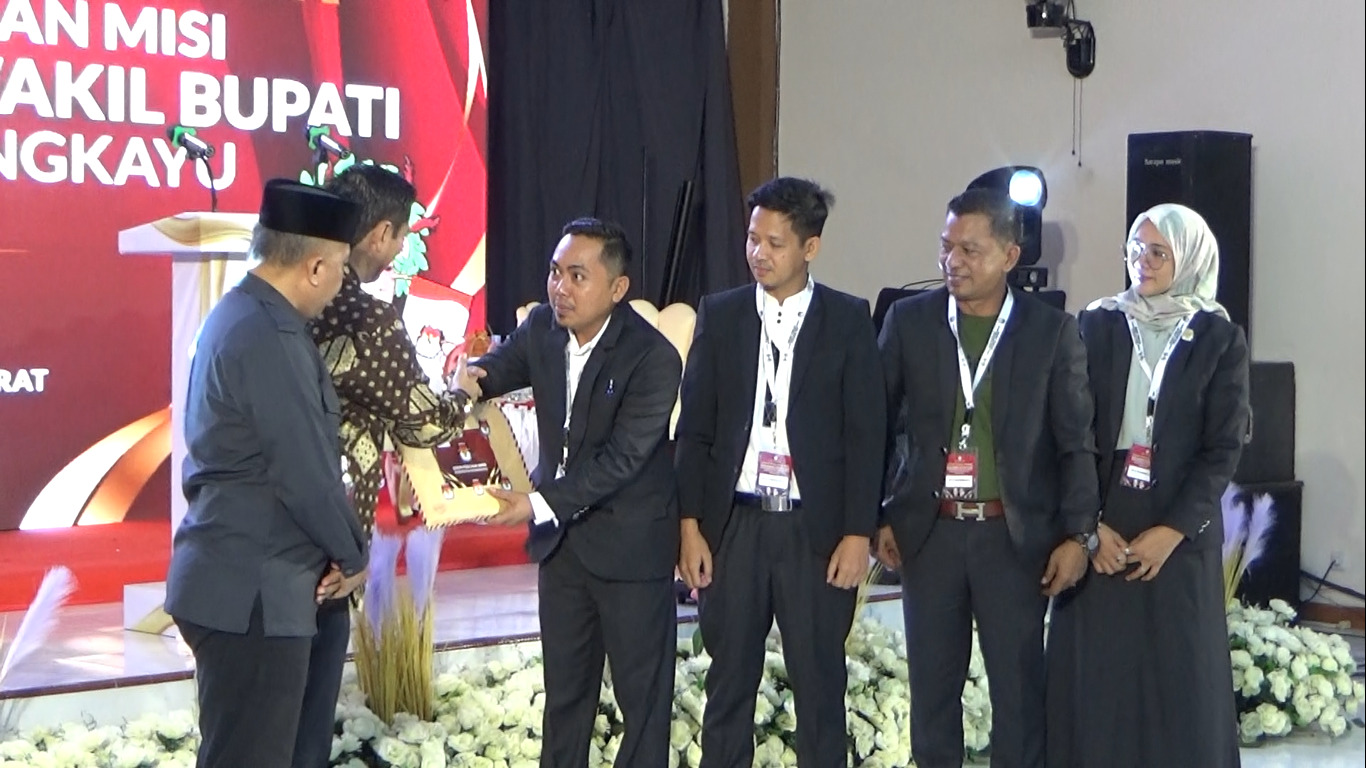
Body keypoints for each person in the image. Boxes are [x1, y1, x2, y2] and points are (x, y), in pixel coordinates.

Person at [876, 188, 1100, 768]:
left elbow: (1076, 443)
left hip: (1014, 538)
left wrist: (1079, 536)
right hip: (930, 534)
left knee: (1019, 696)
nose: (953, 261)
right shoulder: (908, 321)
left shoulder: (1051, 332)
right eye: (946, 246)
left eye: (970, 250)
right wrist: (879, 515)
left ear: (1010, 255)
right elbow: (875, 424)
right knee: (932, 694)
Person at [674, 177, 886, 767]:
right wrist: (690, 526)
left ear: (810, 247)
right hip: (735, 525)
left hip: (813, 530)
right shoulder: (722, 314)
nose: (758, 253)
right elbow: (695, 431)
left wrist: (857, 532)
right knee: (728, 685)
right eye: (752, 239)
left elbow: (866, 436)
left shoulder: (847, 318)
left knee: (819, 686)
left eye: (774, 243)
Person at [164, 179, 370, 768]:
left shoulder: (248, 316)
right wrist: (353, 556)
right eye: (341, 269)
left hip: (254, 586)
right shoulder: (266, 335)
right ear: (315, 266)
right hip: (252, 592)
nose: (341, 285)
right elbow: (303, 471)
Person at [468, 218, 682, 767]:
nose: (560, 288)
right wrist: (469, 379)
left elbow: (622, 460)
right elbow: (499, 368)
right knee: (564, 702)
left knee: (642, 707)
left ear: (617, 288)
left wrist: (535, 504)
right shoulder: (543, 326)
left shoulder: (652, 358)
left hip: (630, 551)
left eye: (577, 276)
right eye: (555, 272)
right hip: (562, 550)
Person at [1046, 204, 1248, 768]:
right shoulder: (1097, 323)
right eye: (1136, 249)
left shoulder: (1219, 337)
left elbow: (1223, 448)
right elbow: (1069, 431)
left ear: (1189, 259)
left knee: (1180, 676)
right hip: (1103, 509)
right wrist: (1088, 527)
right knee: (1096, 673)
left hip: (1180, 523)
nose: (1144, 262)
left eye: (1159, 252)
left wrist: (1174, 530)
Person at [294, 163, 481, 768]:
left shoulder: (279, 306)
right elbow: (424, 422)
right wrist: (464, 394)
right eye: (401, 236)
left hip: (266, 534)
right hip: (325, 545)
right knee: (303, 724)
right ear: (379, 234)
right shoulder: (367, 320)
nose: (402, 250)